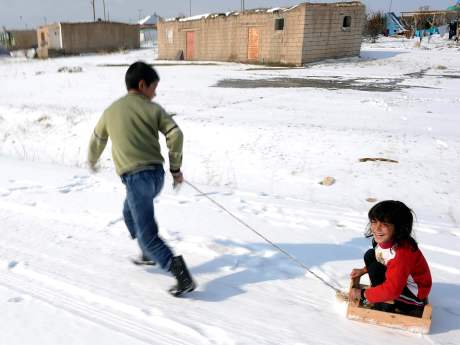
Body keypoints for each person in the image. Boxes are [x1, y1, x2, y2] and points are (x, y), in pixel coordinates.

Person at [87, 61, 196, 297]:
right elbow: (175, 134)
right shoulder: (153, 109)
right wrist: (175, 169)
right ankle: (148, 253)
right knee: (129, 213)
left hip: (137, 180)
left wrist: (92, 160)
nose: (155, 93)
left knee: (147, 234)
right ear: (142, 84)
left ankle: (179, 272)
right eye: (154, 87)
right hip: (155, 177)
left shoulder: (111, 111)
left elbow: (97, 139)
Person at [349, 200, 431, 316]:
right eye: (374, 222)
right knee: (370, 255)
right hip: (399, 281)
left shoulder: (402, 254)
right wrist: (364, 270)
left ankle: (384, 305)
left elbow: (393, 290)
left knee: (376, 269)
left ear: (398, 227)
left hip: (414, 298)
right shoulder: (386, 241)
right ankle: (380, 295)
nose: (377, 228)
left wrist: (363, 294)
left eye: (384, 224)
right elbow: (383, 258)